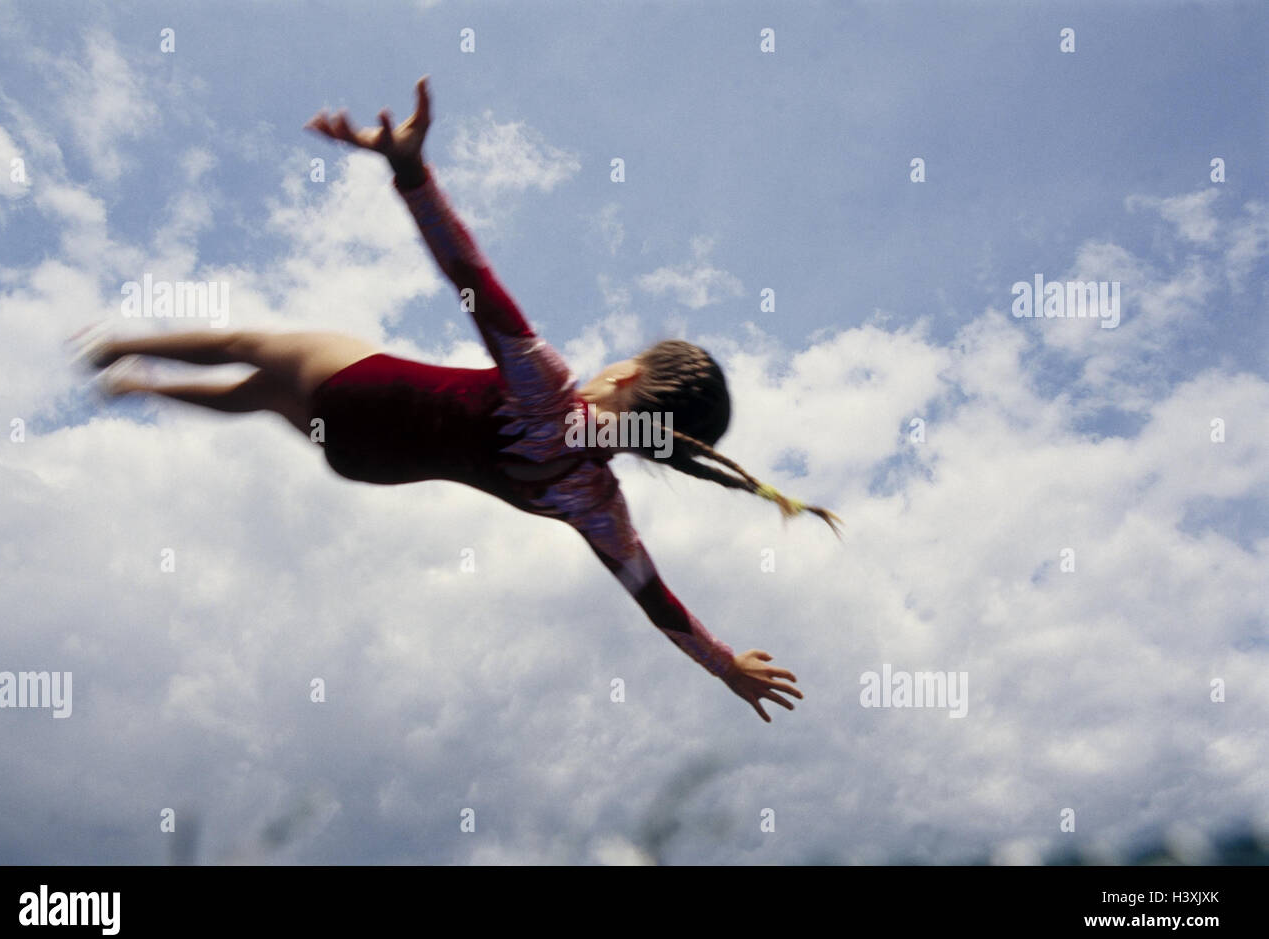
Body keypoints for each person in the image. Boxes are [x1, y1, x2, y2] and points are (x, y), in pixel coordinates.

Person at [77, 76, 842, 721]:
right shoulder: (596, 504)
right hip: (361, 456)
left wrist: (410, 170)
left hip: (363, 389)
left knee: (253, 348)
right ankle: (141, 386)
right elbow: (655, 599)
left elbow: (467, 271)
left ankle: (127, 350)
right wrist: (722, 665)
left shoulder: (546, 385)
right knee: (267, 401)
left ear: (633, 377)